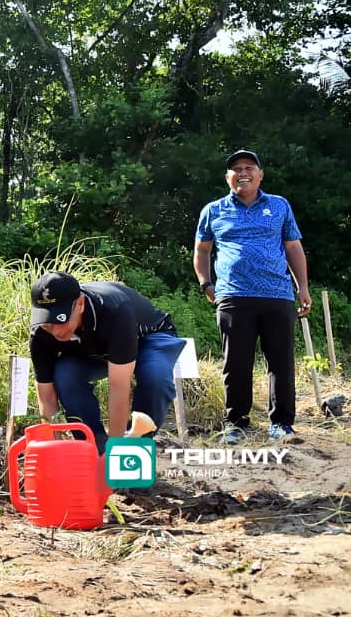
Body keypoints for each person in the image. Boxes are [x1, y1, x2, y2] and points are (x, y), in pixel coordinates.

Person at [193, 149, 310, 445]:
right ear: (228, 177)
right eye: (236, 169)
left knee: (281, 363)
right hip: (233, 296)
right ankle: (235, 425)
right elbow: (202, 250)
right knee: (236, 364)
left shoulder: (279, 205)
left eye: (249, 167)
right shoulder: (214, 210)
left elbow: (293, 247)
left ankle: (282, 425)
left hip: (278, 295)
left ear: (260, 175)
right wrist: (206, 284)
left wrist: (303, 287)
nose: (243, 173)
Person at [29, 271, 186, 455]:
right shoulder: (41, 334)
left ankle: (134, 448)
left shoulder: (114, 310)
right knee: (66, 375)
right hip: (95, 350)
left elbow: (119, 387)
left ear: (80, 304)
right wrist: (53, 448)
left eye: (60, 321)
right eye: (48, 324)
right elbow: (46, 397)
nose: (56, 331)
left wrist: (115, 449)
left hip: (148, 337)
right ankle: (93, 448)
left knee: (155, 379)